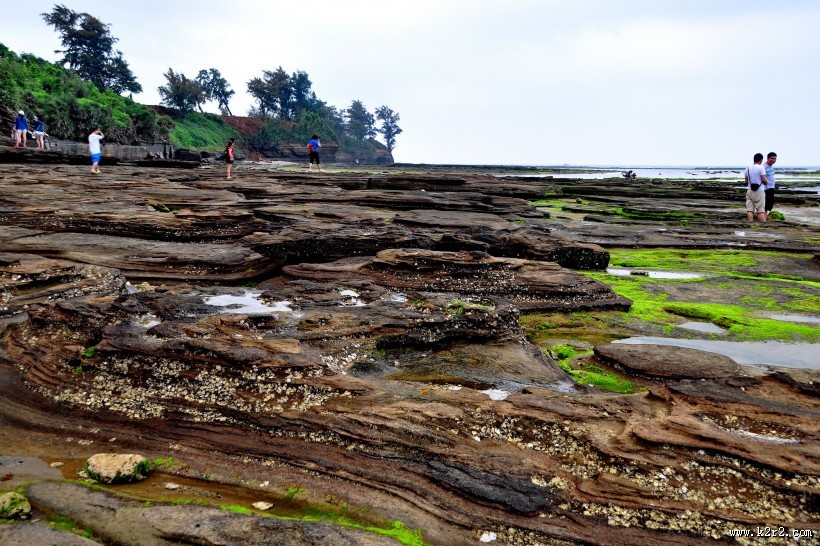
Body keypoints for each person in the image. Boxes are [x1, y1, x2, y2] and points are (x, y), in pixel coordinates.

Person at [744, 152, 768, 222]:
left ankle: (750, 222)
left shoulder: (747, 168)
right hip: (759, 191)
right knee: (760, 210)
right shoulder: (761, 168)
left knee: (750, 209)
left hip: (749, 190)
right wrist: (766, 182)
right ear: (761, 160)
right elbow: (764, 179)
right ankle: (762, 224)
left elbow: (746, 181)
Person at [764, 152, 777, 217]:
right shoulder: (763, 166)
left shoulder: (771, 166)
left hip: (771, 187)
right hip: (766, 188)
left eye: (775, 158)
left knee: (770, 204)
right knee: (766, 203)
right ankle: (763, 216)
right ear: (768, 158)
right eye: (772, 158)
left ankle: (765, 215)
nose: (773, 160)